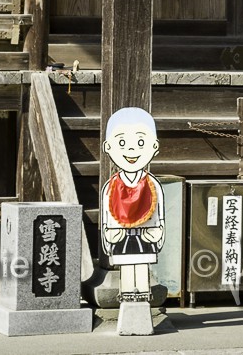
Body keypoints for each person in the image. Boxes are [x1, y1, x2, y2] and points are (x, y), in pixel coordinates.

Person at [101, 107, 164, 333]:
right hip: (122, 235)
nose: (130, 149)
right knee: (128, 269)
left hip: (145, 235)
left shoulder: (152, 185)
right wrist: (109, 234)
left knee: (141, 269)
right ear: (108, 147)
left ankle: (143, 298)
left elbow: (159, 214)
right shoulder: (111, 186)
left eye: (140, 143)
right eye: (121, 143)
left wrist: (157, 233)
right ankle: (128, 298)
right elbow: (107, 214)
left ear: (154, 147)